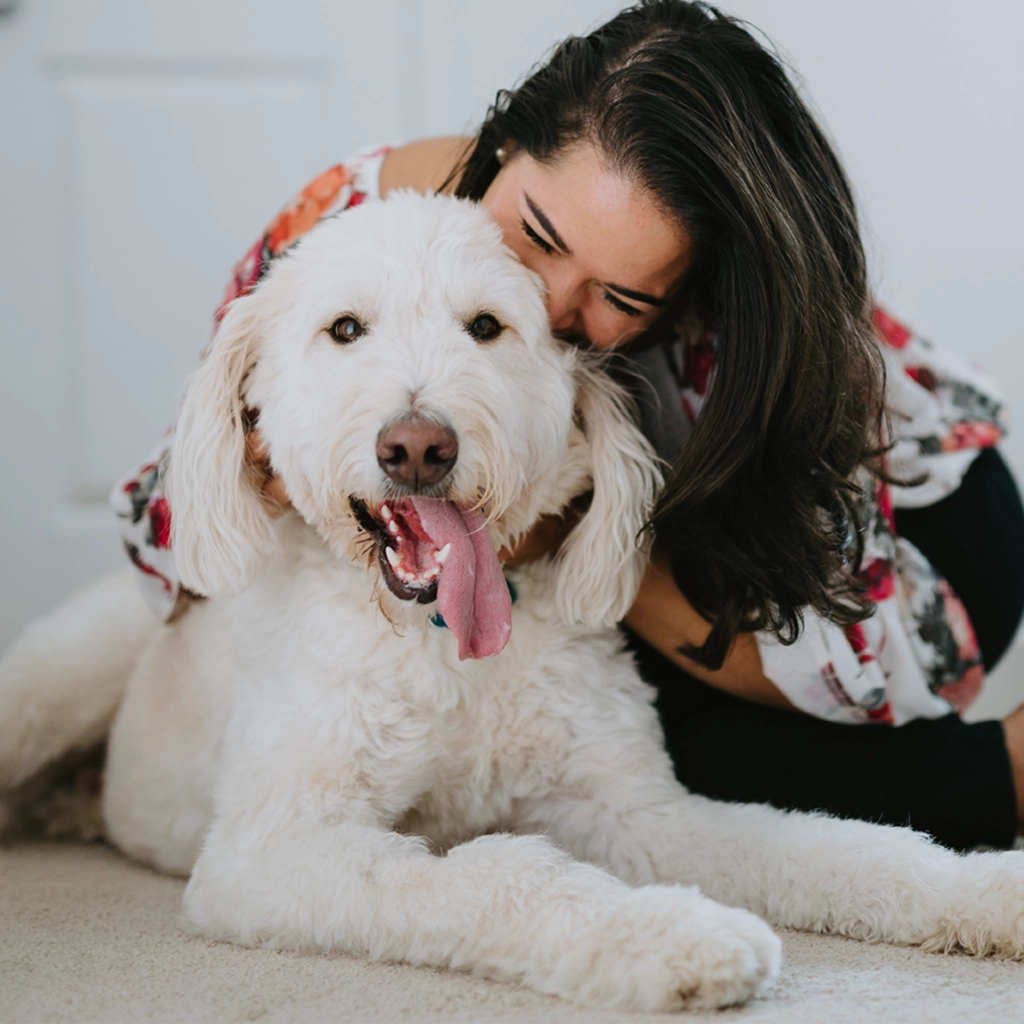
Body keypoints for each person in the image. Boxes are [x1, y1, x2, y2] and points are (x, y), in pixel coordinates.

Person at [113, 0, 1024, 852]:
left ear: (686, 300)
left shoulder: (743, 336)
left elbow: (853, 667)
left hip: (907, 543)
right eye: (539, 236)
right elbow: (172, 522)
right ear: (504, 145)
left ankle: (1011, 771)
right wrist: (276, 466)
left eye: (620, 297)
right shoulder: (344, 225)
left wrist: (554, 531)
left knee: (676, 755)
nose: (548, 309)